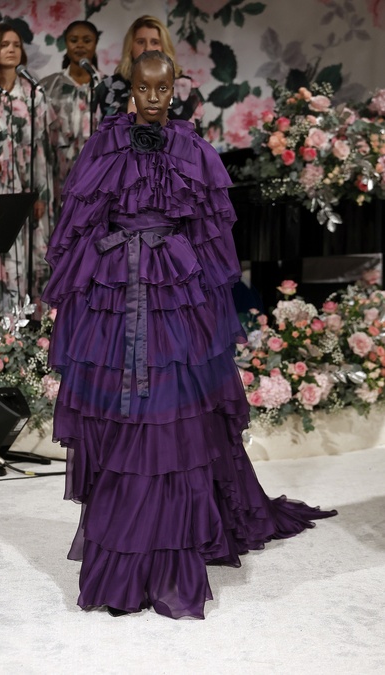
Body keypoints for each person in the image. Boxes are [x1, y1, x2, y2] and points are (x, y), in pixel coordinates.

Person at [42, 51, 337, 620]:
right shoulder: (103, 145)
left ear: (174, 91)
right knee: (123, 420)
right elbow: (80, 222)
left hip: (172, 290)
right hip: (115, 289)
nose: (153, 98)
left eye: (163, 90)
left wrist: (205, 301)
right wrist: (81, 289)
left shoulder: (193, 149)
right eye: (144, 89)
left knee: (171, 420)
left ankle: (169, 553)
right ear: (131, 89)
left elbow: (210, 234)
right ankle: (123, 563)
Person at [0, 22, 54, 308]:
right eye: (4, 45)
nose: (11, 50)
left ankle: (26, 319)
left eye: (16, 45)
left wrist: (40, 193)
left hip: (25, 180)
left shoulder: (33, 93)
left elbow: (40, 149)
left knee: (25, 252)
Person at [94, 15, 204, 130]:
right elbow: (99, 135)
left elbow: (196, 136)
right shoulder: (108, 87)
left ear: (164, 47)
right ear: (130, 47)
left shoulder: (185, 87)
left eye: (155, 42)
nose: (147, 48)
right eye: (140, 42)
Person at [40, 20, 102, 221]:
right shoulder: (48, 86)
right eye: (74, 40)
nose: (80, 45)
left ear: (95, 44)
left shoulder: (106, 86)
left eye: (87, 40)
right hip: (58, 176)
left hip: (98, 176)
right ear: (66, 43)